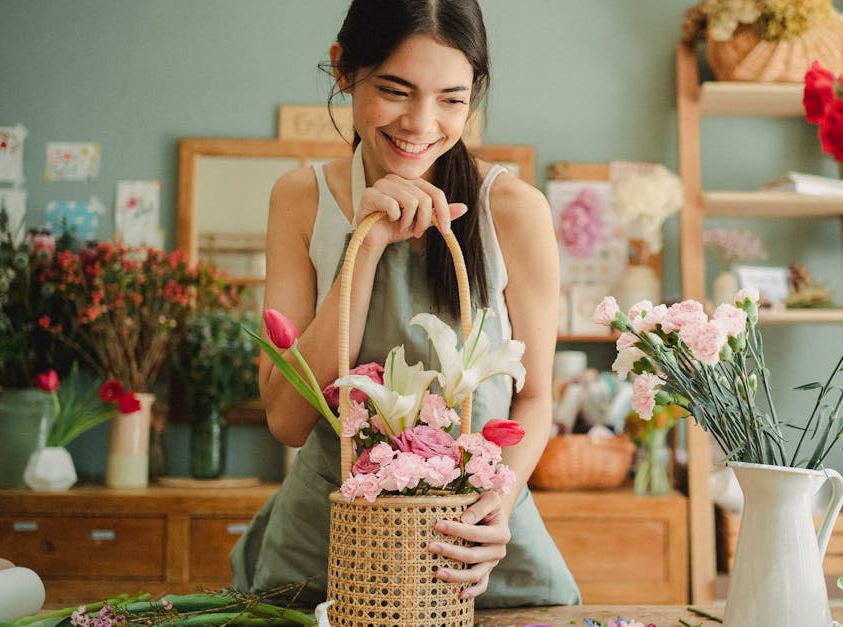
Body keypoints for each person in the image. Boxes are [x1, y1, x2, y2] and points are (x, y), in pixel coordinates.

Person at [229, 0, 581, 609]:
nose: (421, 123)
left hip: (470, 547)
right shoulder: (301, 200)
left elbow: (535, 399)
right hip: (328, 549)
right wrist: (364, 247)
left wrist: (495, 506)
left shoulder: (513, 210)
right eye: (395, 90)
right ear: (344, 70)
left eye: (451, 99)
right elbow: (287, 421)